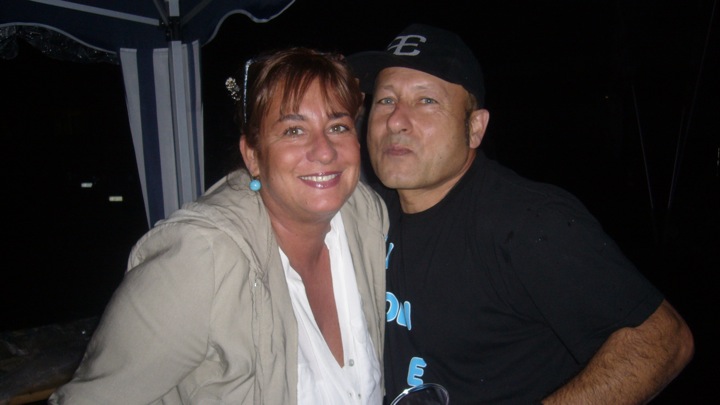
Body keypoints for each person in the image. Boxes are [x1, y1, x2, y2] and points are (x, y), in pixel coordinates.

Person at [348, 24, 694, 404]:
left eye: (426, 100)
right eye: (386, 100)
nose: (396, 120)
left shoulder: (527, 222)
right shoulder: (368, 213)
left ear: (475, 128)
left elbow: (662, 339)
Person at [49, 47, 388, 404]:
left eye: (338, 126)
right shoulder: (201, 258)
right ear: (253, 156)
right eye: (293, 130)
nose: (324, 150)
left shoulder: (366, 218)